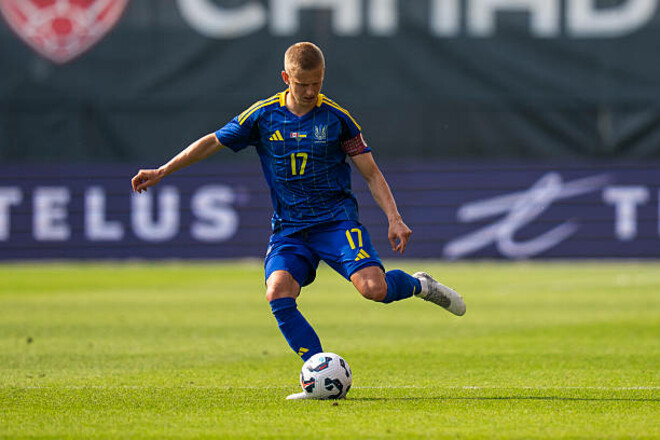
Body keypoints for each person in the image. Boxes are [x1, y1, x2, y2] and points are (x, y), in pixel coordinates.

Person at [131, 41, 465, 399]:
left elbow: (370, 172)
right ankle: (318, 373)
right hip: (289, 229)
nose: (310, 91)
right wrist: (163, 171)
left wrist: (394, 218)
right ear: (285, 78)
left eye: (317, 83)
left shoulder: (337, 119)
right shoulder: (262, 116)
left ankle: (419, 285)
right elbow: (213, 142)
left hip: (336, 223)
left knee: (374, 289)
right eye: (302, 84)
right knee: (277, 291)